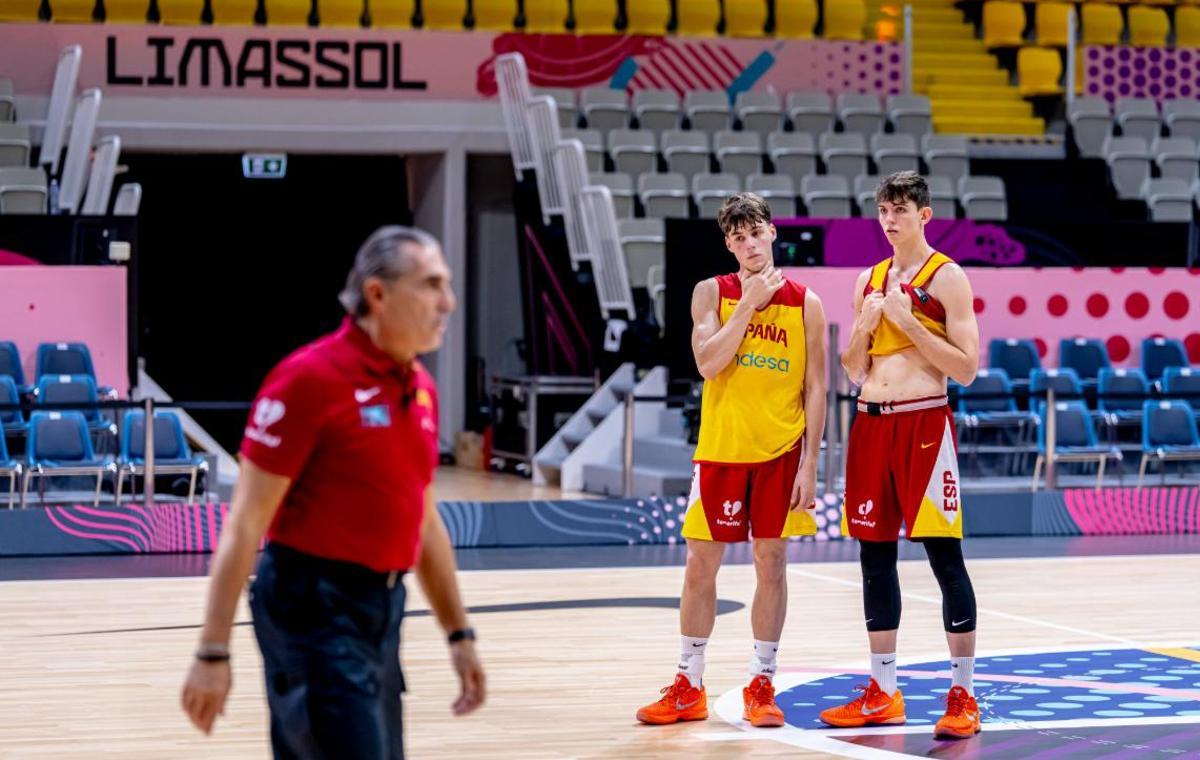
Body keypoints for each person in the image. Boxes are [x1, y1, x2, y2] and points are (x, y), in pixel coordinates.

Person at [181, 226, 486, 758]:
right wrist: (212, 652)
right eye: (432, 285)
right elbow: (245, 524)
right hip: (311, 608)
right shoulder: (309, 380)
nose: (448, 302)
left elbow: (424, 521)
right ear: (377, 294)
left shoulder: (419, 388)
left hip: (381, 606)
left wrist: (459, 636)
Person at [636, 193, 827, 728]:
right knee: (701, 566)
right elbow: (708, 364)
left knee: (772, 563)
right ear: (729, 245)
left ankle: (762, 681)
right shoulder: (709, 293)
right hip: (721, 451)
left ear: (771, 233)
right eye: (737, 237)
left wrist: (812, 461)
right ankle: (688, 682)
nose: (748, 243)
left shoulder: (806, 302)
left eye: (755, 232)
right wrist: (747, 303)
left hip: (781, 452)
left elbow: (817, 387)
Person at [819, 171, 981, 740]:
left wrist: (910, 323)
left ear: (925, 216)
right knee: (873, 559)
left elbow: (965, 368)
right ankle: (883, 691)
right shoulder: (868, 278)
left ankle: (962, 694)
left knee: (944, 558)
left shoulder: (949, 277)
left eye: (901, 211)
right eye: (884, 210)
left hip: (924, 427)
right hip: (871, 424)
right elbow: (853, 367)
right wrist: (862, 327)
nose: (890, 220)